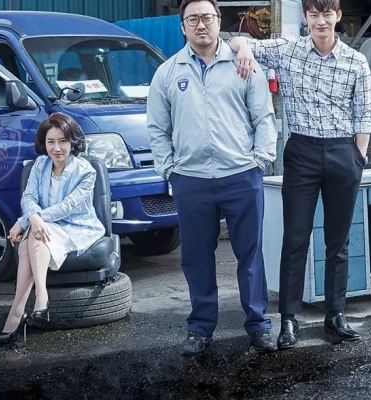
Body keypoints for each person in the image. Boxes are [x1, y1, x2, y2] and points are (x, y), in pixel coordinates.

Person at [229, 0, 371, 349]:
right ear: (307, 17)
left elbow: (364, 114)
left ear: (338, 16)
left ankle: (335, 316)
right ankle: (289, 320)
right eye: (314, 14)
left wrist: (357, 157)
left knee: (338, 241)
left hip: (343, 152)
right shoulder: (288, 50)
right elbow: (234, 40)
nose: (321, 21)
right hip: (302, 152)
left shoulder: (356, 61)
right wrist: (244, 47)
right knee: (295, 240)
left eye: (327, 14)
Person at [147, 0, 279, 356]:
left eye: (207, 17)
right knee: (195, 256)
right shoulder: (168, 72)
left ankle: (258, 324)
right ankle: (201, 327)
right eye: (193, 19)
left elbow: (263, 117)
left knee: (249, 253)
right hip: (190, 179)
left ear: (219, 21)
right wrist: (169, 169)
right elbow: (157, 128)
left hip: (241, 174)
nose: (201, 25)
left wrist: (260, 160)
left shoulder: (243, 64)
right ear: (183, 27)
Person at [0, 113, 105, 344]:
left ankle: (21, 309)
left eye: (62, 141)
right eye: (51, 142)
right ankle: (36, 302)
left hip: (76, 226)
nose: (57, 148)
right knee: (31, 239)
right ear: (44, 144)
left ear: (72, 142)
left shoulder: (86, 170)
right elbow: (29, 197)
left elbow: (67, 207)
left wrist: (25, 221)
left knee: (33, 236)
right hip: (45, 225)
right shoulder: (39, 164)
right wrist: (33, 218)